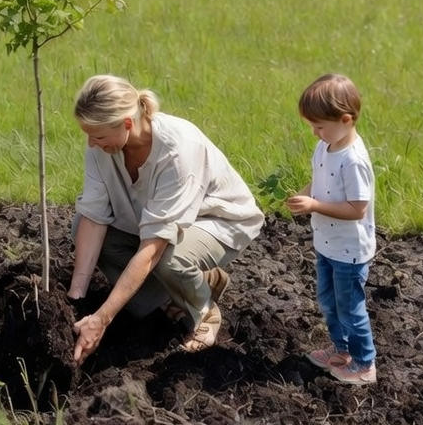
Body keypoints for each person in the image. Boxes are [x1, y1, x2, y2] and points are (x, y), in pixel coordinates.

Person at [67, 74, 264, 365]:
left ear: (127, 124)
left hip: (215, 220)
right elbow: (94, 216)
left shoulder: (178, 150)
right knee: (137, 302)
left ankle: (204, 309)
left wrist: (103, 318)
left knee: (167, 257)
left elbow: (153, 249)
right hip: (153, 221)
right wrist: (76, 298)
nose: (91, 144)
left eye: (97, 136)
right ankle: (190, 287)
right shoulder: (101, 145)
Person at [285, 73, 377, 385]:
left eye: (319, 126)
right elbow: (319, 179)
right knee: (328, 301)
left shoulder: (353, 161)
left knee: (350, 308)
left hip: (350, 249)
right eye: (312, 126)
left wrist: (314, 207)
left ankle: (365, 364)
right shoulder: (326, 147)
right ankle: (342, 351)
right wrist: (306, 194)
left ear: (346, 119)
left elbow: (357, 209)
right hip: (328, 243)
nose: (314, 132)